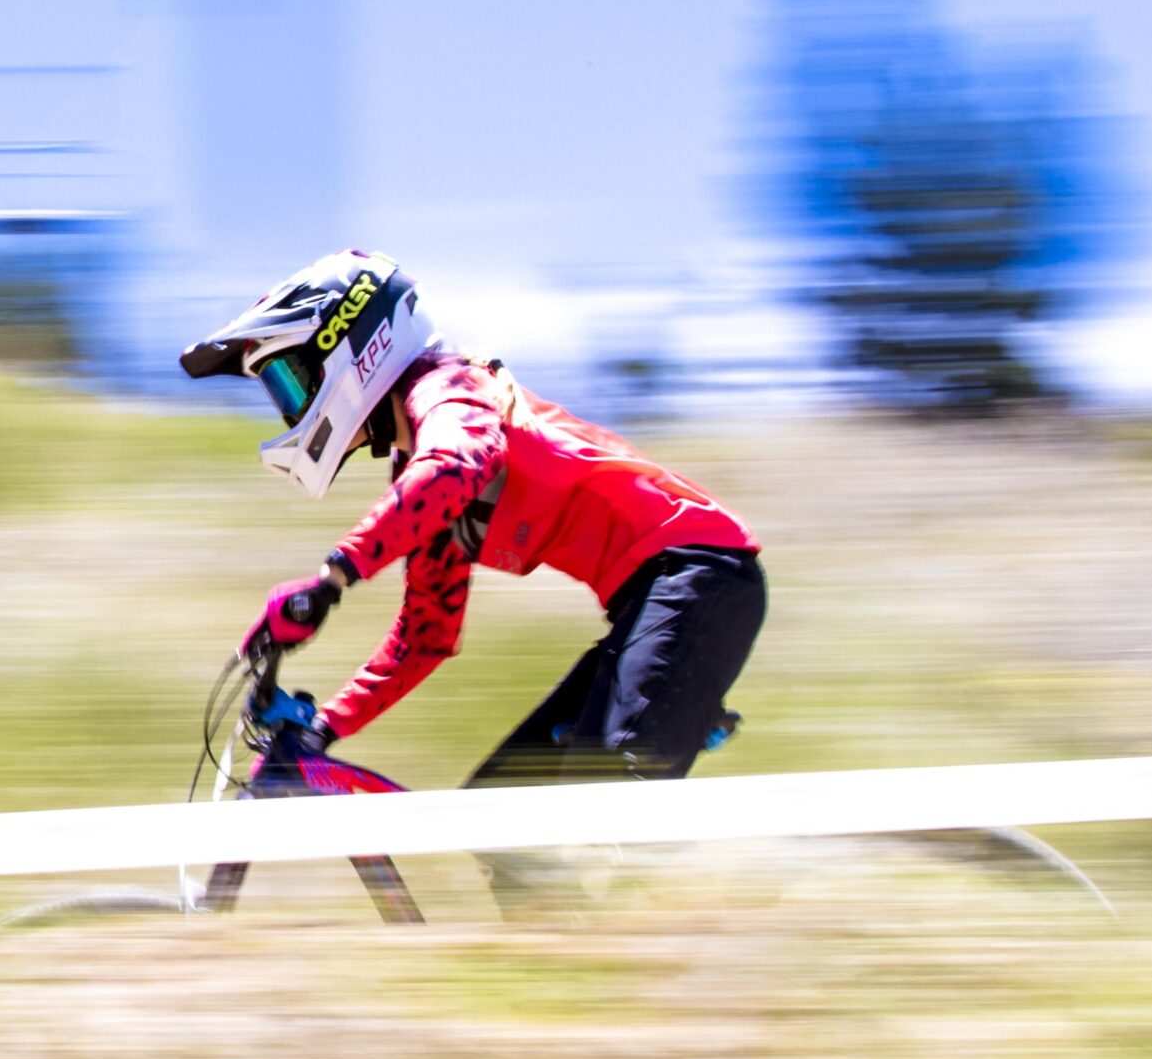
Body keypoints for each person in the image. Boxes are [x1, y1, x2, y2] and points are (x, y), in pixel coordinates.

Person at [180, 250, 765, 807]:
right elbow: (424, 637)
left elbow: (460, 466)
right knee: (495, 816)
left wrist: (332, 579)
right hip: (653, 598)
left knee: (611, 789)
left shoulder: (449, 391)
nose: (289, 407)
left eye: (289, 380)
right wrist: (323, 728)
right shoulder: (424, 473)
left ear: (351, 346)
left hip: (698, 575)